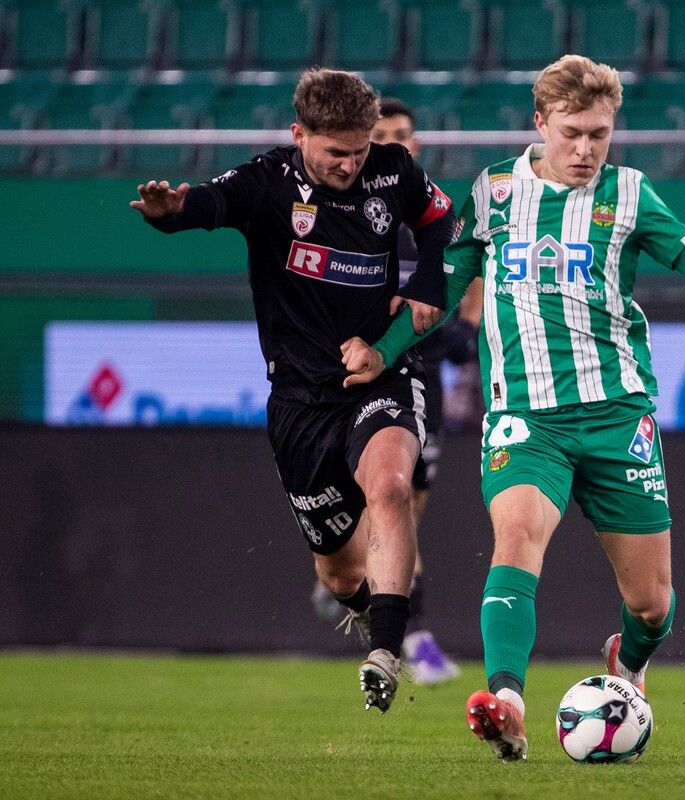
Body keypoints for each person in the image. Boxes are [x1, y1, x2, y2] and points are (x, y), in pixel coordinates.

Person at [350, 54, 685, 760]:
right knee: (517, 536)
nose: (587, 149)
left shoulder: (630, 195)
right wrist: (381, 350)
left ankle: (628, 662)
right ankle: (506, 702)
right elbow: (442, 295)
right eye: (573, 133)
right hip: (527, 417)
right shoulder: (495, 191)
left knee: (654, 605)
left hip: (619, 416)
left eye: (600, 133)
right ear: (541, 124)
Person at [130, 68, 456, 710]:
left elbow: (438, 220)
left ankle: (390, 651)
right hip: (300, 405)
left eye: (359, 150)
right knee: (338, 572)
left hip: (380, 372)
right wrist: (170, 214)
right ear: (298, 134)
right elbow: (202, 206)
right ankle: (374, 615)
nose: (350, 164)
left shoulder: (392, 170)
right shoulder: (266, 183)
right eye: (336, 152)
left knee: (390, 486)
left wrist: (429, 284)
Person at [310, 98, 481, 685]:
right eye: (381, 134)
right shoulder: (348, 217)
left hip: (418, 379)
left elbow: (470, 291)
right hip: (350, 377)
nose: (393, 142)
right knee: (383, 508)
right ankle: (410, 632)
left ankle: (365, 586)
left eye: (402, 134)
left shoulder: (433, 223)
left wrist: (463, 327)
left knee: (402, 509)